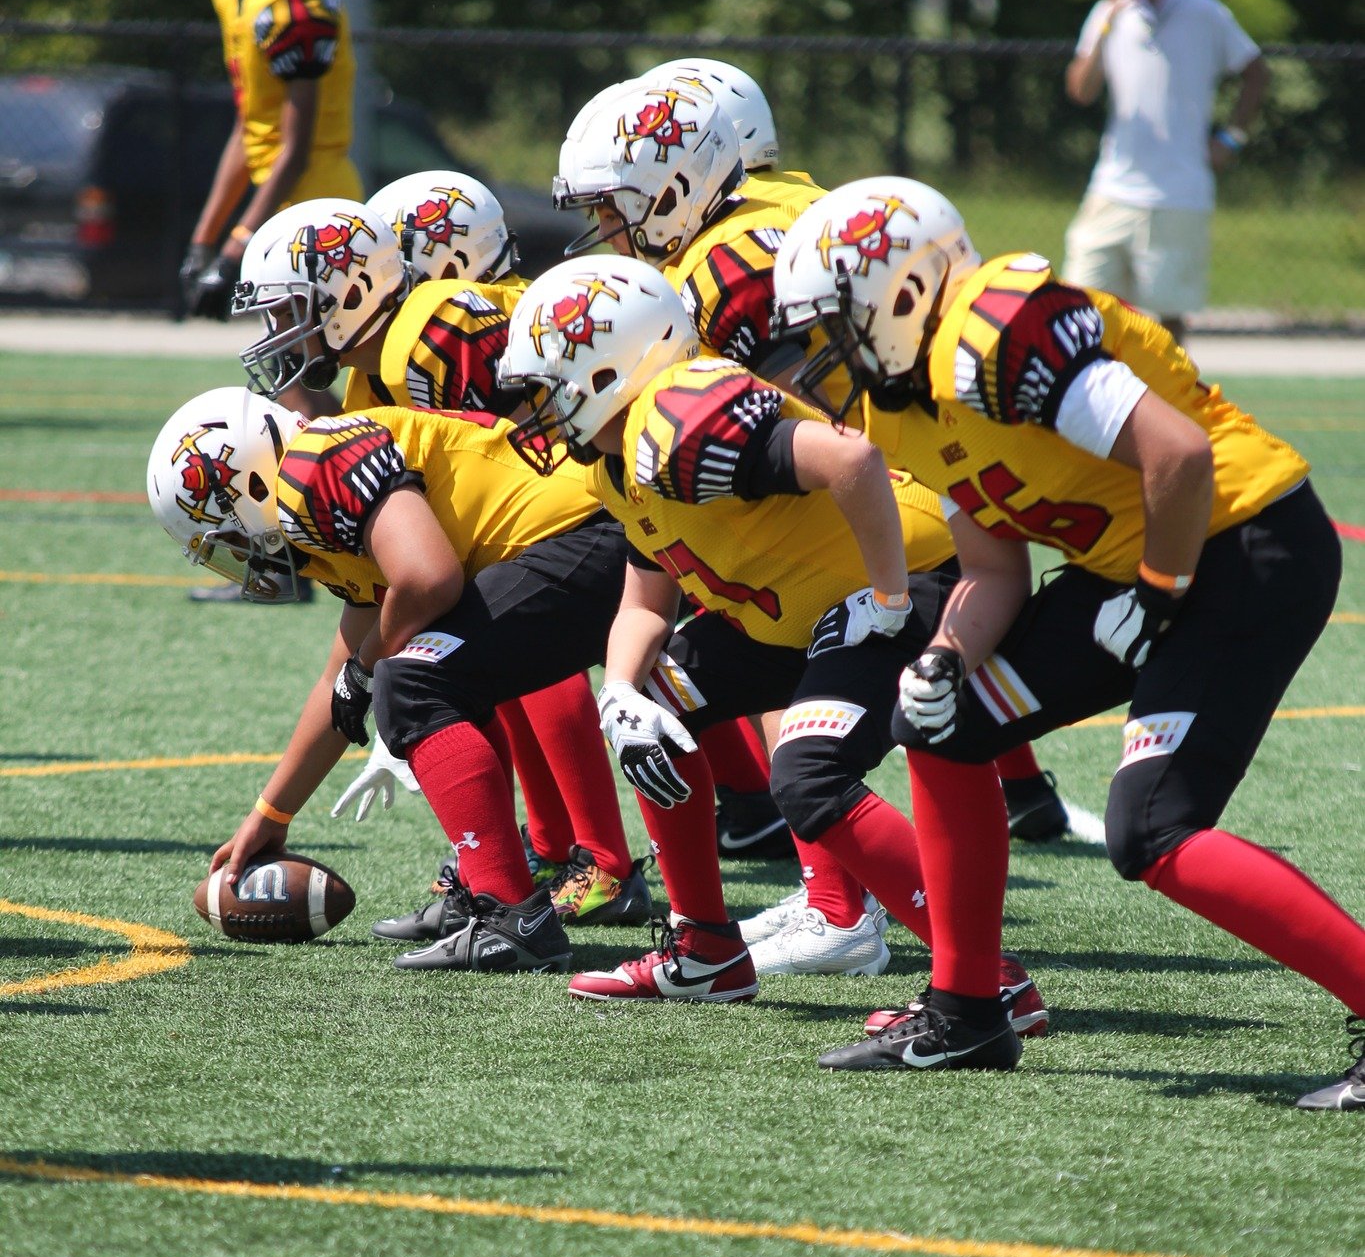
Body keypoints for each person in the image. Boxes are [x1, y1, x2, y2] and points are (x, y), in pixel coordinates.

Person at [771, 176, 1365, 1109]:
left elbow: (1179, 454)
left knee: (1152, 828)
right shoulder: (904, 403)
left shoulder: (996, 332)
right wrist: (946, 657)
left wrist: (1160, 596)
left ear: (903, 290)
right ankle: (967, 1010)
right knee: (943, 722)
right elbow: (993, 571)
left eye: (833, 323)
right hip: (1139, 569)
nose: (821, 354)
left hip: (1240, 546)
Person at [499, 257, 1047, 1033]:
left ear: (602, 368)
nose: (533, 410)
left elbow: (850, 459)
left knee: (808, 773)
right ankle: (706, 953)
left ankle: (987, 979)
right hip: (799, 617)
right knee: (657, 702)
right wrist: (618, 691)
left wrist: (889, 598)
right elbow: (643, 602)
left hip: (910, 583)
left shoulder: (680, 414)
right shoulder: (619, 464)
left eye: (543, 385)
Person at [557, 73, 1069, 856]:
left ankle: (830, 894)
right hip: (932, 464)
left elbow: (799, 437)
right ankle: (1019, 791)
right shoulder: (779, 203)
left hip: (890, 483)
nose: (601, 225)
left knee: (774, 600)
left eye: (609, 204)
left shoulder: (714, 269)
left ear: (669, 188)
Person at [230, 193, 648, 928]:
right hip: (573, 529)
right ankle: (543, 855)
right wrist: (273, 805)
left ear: (350, 289)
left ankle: (603, 861)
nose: (276, 333)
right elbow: (357, 641)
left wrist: (376, 668)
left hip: (604, 513)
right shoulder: (367, 382)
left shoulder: (437, 330)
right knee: (453, 644)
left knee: (468, 640)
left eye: (288, 307)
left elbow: (534, 459)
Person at [145, 388, 650, 974]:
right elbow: (338, 685)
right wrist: (271, 814)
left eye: (228, 538)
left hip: (596, 539)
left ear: (251, 484)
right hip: (587, 545)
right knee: (424, 670)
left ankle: (510, 915)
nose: (237, 558)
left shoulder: (315, 462)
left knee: (411, 678)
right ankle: (495, 895)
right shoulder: (315, 501)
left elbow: (429, 579)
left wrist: (366, 666)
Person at [1062, 0, 1267, 349]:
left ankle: (1175, 405)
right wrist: (1106, 23)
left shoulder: (1205, 14)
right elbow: (1081, 90)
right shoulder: (1109, 14)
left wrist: (1231, 137)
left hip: (1179, 191)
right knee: (1080, 302)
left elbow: (1255, 71)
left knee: (1169, 314)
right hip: (1113, 186)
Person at [181, 0, 361, 328]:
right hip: (275, 195)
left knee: (296, 363)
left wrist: (235, 245)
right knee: (285, 363)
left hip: (315, 195)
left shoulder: (299, 12)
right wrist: (203, 240)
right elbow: (249, 126)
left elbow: (295, 152)